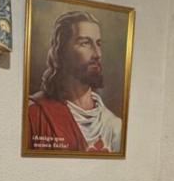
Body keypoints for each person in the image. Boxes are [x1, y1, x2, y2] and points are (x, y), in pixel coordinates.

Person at [27, 10, 123, 153]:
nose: (98, 54)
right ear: (62, 51)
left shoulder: (114, 126)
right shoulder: (34, 114)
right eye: (85, 43)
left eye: (98, 44)